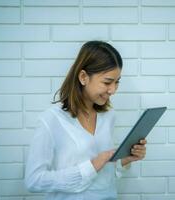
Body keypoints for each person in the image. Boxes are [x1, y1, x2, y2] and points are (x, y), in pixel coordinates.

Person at [25, 41, 147, 200]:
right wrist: (91, 166)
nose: (113, 90)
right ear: (83, 77)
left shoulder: (108, 116)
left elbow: (105, 174)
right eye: (107, 82)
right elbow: (34, 181)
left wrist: (125, 160)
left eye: (117, 82)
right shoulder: (51, 120)